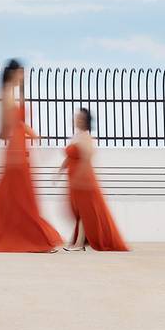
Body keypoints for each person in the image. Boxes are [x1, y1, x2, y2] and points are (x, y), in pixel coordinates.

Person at [0, 59, 62, 253]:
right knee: (21, 198)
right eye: (21, 74)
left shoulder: (10, 93)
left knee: (12, 198)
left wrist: (25, 130)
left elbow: (10, 126)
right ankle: (35, 239)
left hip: (17, 149)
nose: (24, 77)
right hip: (16, 152)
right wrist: (26, 131)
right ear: (14, 73)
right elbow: (6, 128)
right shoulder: (6, 94)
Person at [60, 108, 128, 252]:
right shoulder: (76, 136)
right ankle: (78, 242)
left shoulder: (86, 137)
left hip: (84, 180)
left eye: (79, 118)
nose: (76, 119)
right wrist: (60, 171)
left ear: (85, 121)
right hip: (75, 181)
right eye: (76, 117)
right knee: (79, 211)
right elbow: (70, 157)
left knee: (85, 212)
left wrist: (79, 178)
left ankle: (78, 243)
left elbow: (86, 159)